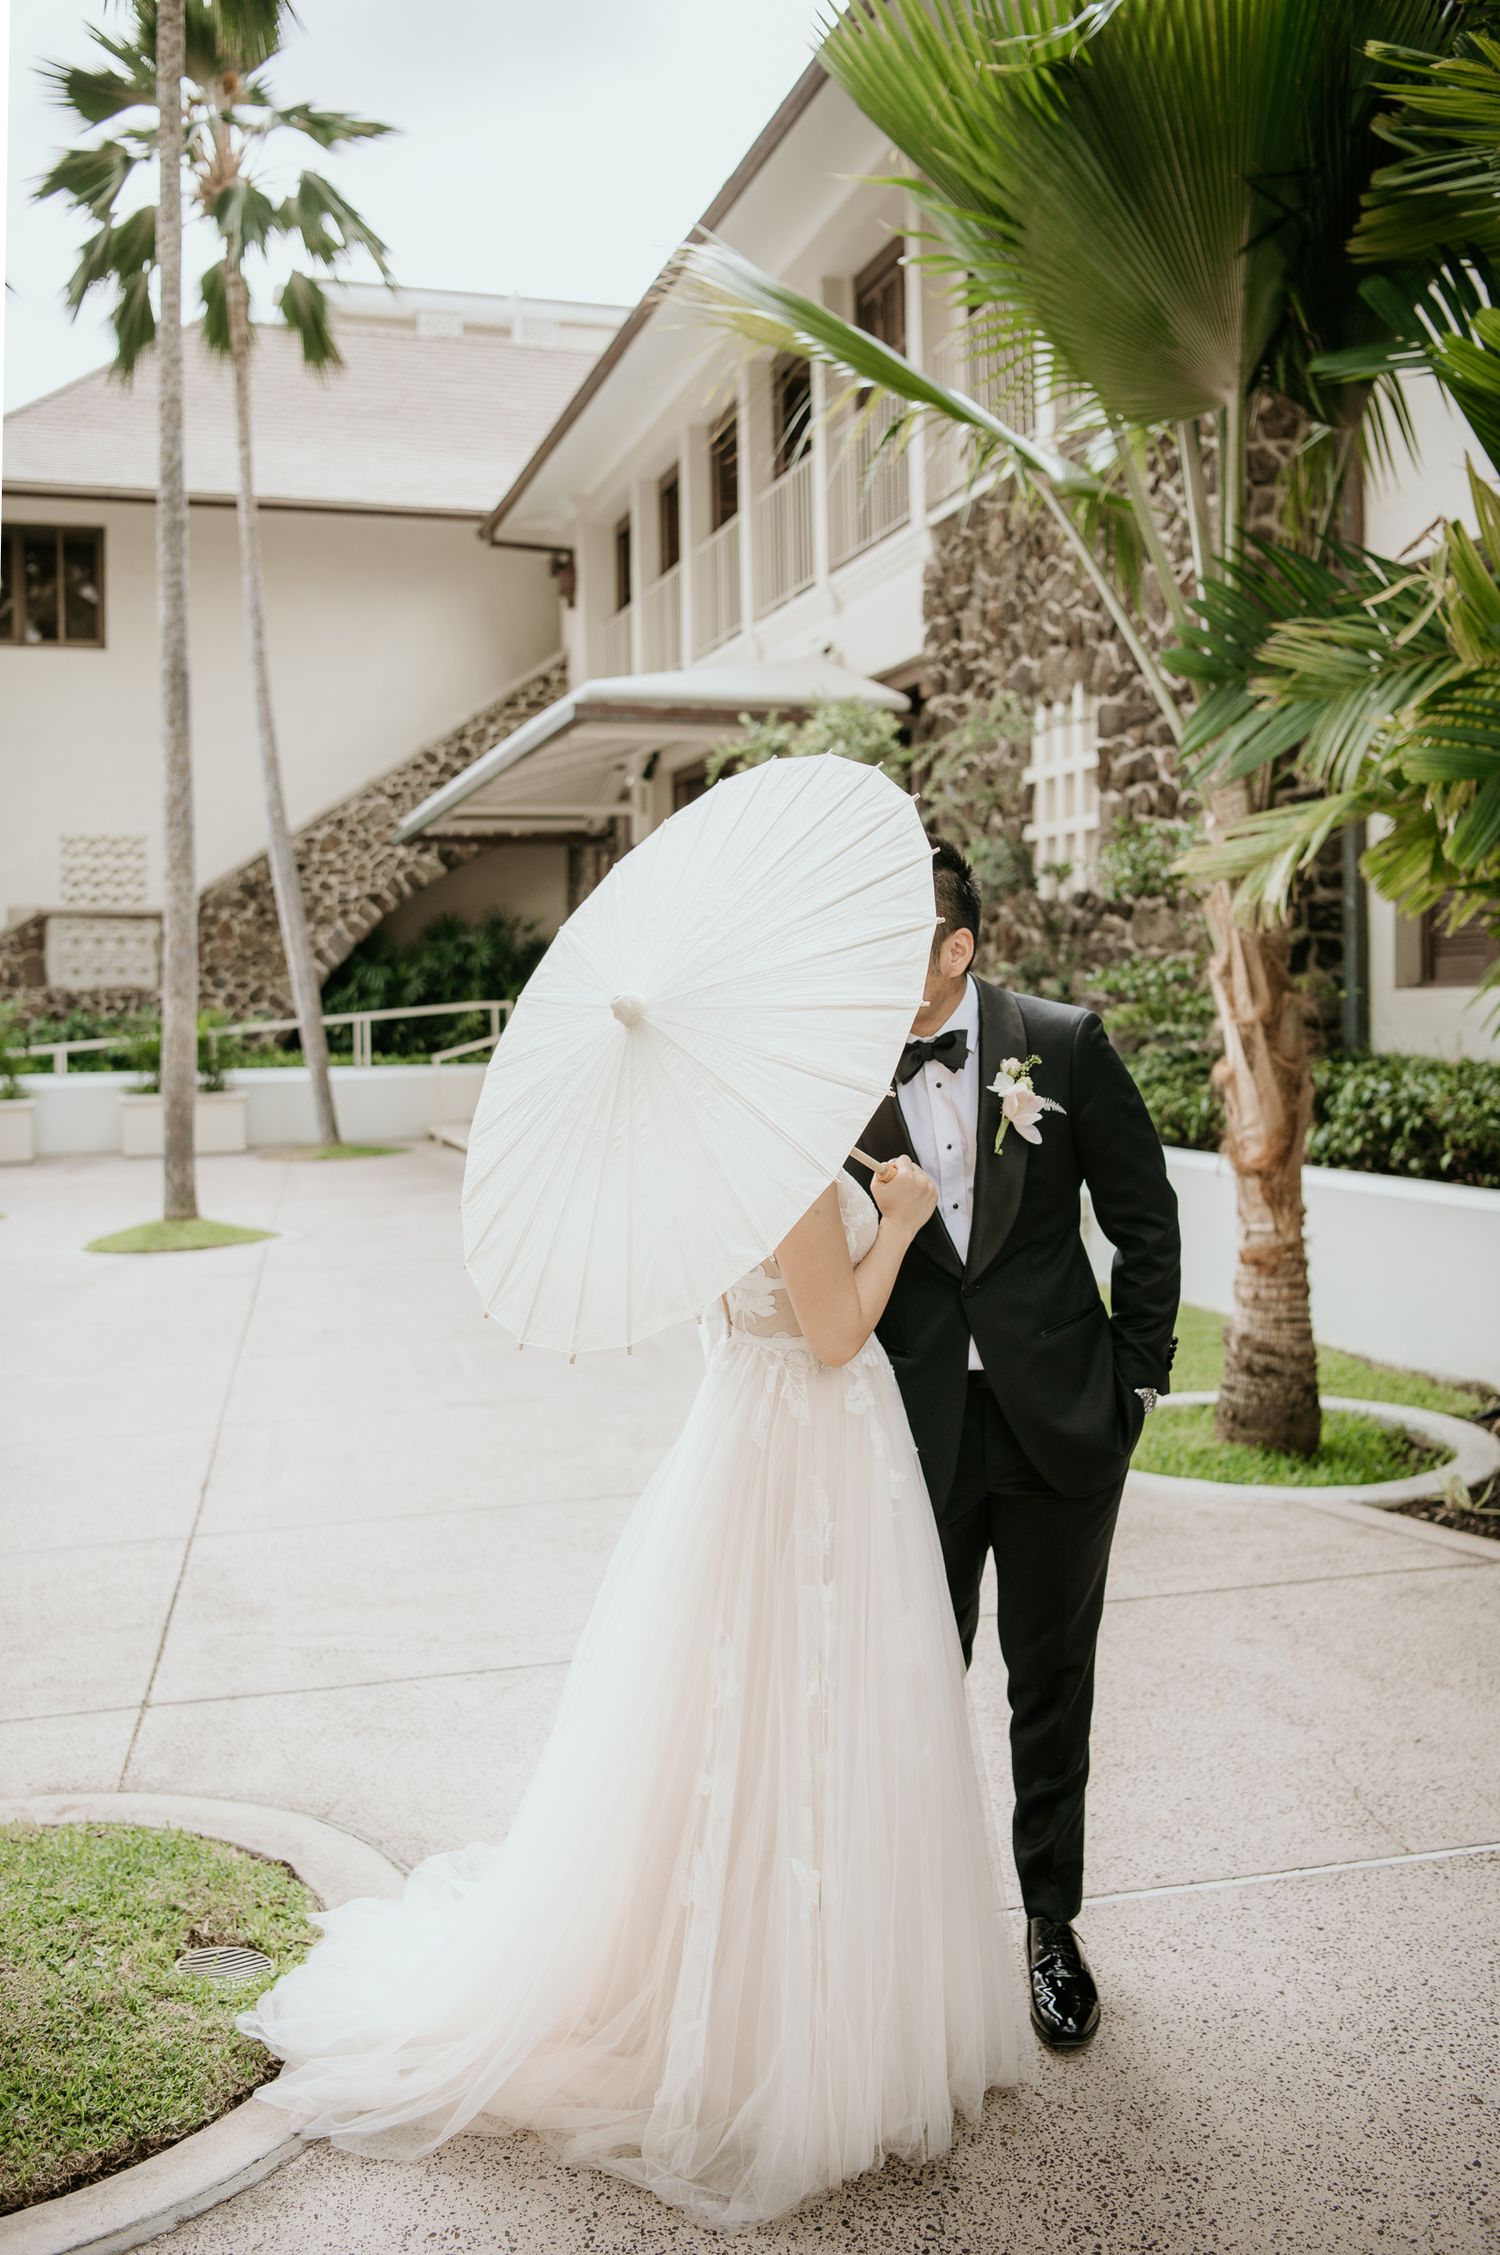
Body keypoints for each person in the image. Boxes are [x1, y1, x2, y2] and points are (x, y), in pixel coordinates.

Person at [238, 1136, 1030, 2229]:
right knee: (789, 1713)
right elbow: (837, 1334)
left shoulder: (711, 1160)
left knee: (753, 1720)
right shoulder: (785, 1168)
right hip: (807, 1449)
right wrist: (898, 1221)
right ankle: (766, 2021)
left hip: (762, 1435)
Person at [851, 838, 1181, 2051]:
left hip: (1059, 1429)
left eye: (903, 940)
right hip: (911, 1431)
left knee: (1051, 1687)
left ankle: (1052, 1925)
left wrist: (1137, 1382)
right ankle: (910, 1935)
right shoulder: (844, 1075)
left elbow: (1145, 1218)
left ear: (958, 946)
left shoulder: (1066, 1042)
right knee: (913, 1681)